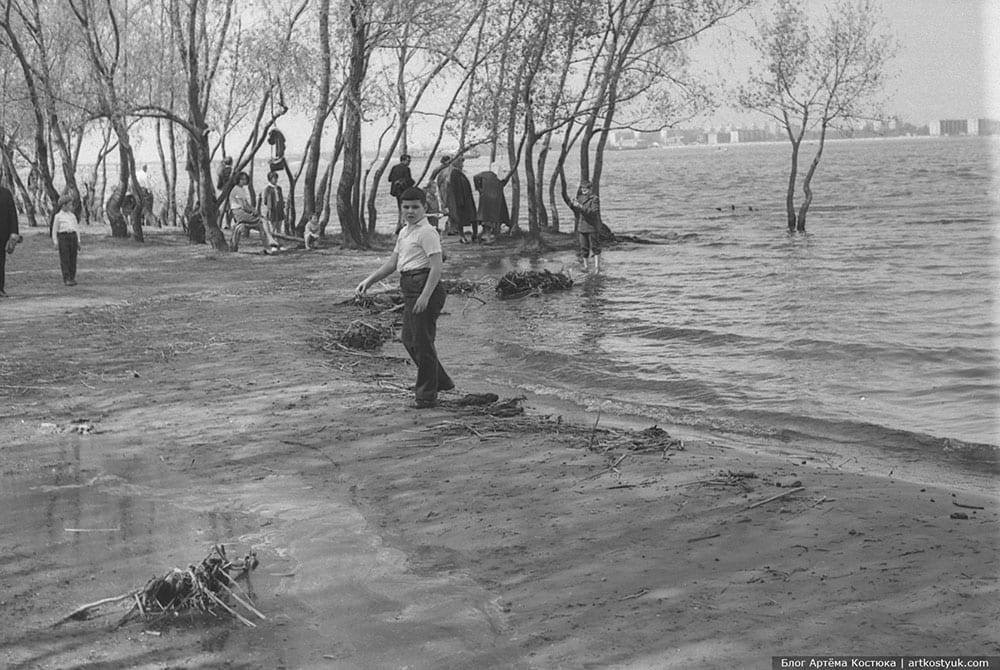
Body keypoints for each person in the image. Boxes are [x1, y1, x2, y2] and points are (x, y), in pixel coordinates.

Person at [356, 186, 454, 409]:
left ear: (424, 208)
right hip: (409, 287)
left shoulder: (428, 232)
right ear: (401, 208)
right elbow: (392, 263)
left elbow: (437, 267)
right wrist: (369, 281)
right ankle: (440, 380)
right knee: (409, 339)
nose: (410, 211)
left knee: (422, 342)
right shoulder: (405, 232)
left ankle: (426, 396)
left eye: (415, 207)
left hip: (425, 286)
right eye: (406, 207)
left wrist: (425, 296)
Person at [229, 172, 278, 254]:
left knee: (262, 226)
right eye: (242, 179)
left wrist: (254, 210)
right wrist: (252, 211)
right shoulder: (237, 189)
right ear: (238, 180)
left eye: (245, 179)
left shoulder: (242, 189)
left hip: (242, 212)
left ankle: (267, 248)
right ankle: (270, 240)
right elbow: (243, 206)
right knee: (262, 221)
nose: (244, 181)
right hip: (239, 212)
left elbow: (246, 203)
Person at [569, 180, 601, 273]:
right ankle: (586, 266)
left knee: (595, 247)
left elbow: (593, 212)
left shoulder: (594, 199)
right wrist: (573, 203)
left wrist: (581, 207)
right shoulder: (580, 198)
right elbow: (575, 208)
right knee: (584, 248)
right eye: (582, 188)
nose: (584, 190)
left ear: (590, 189)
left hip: (592, 227)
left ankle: (596, 267)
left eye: (586, 188)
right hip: (582, 227)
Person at [473, 163, 510, 239]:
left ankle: (482, 235)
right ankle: (487, 237)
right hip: (493, 202)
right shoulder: (498, 179)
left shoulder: (485, 174)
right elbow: (503, 183)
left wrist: (478, 188)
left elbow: (475, 177)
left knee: (485, 219)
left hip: (484, 200)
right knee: (489, 220)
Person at [446, 157, 477, 243]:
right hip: (461, 200)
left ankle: (474, 235)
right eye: (461, 163)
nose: (462, 165)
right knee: (460, 219)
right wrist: (459, 201)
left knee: (473, 217)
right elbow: (456, 189)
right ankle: (462, 236)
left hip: (466, 198)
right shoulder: (454, 173)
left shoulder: (458, 173)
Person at [52, 194, 81, 286]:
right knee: (65, 258)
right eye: (69, 204)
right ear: (63, 205)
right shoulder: (58, 216)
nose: (70, 206)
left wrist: (78, 241)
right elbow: (54, 230)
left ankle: (72, 277)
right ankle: (67, 278)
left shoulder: (72, 216)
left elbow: (76, 229)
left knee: (73, 258)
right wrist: (55, 242)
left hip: (73, 237)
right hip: (63, 237)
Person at [0, 180, 21, 297]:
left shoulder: (6, 193)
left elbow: (12, 214)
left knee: (0, 262)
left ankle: (0, 288)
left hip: (2, 235)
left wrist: (14, 233)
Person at [388, 154, 414, 224]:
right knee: (406, 208)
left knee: (401, 208)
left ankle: (401, 223)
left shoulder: (394, 167)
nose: (409, 162)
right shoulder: (406, 169)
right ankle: (403, 224)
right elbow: (409, 181)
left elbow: (389, 179)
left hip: (396, 191)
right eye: (408, 161)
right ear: (403, 160)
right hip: (403, 191)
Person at [262, 171, 285, 240]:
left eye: (276, 178)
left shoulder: (279, 188)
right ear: (270, 179)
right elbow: (265, 201)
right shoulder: (268, 189)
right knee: (273, 228)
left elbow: (281, 198)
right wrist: (270, 207)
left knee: (279, 227)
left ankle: (279, 243)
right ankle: (273, 244)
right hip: (272, 210)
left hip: (279, 209)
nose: (275, 180)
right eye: (273, 178)